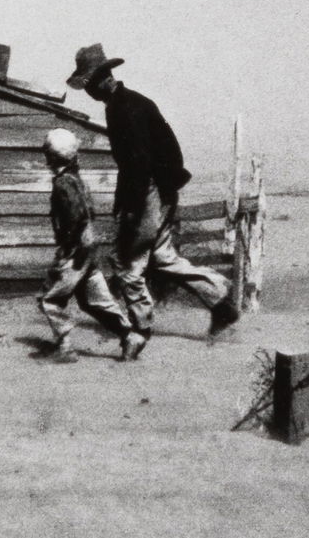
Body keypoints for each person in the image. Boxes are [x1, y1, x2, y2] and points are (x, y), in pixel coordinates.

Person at [65, 43, 239, 348]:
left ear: (105, 78)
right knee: (163, 258)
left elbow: (139, 164)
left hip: (149, 192)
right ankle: (221, 301)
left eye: (90, 84)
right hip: (160, 190)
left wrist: (132, 209)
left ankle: (140, 330)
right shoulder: (129, 103)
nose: (89, 92)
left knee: (128, 265)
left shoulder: (125, 109)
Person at [37, 127, 145, 359]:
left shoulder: (63, 183)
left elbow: (77, 215)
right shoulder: (78, 179)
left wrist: (73, 243)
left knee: (50, 299)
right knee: (95, 300)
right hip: (87, 250)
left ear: (51, 156)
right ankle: (130, 335)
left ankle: (65, 346)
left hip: (75, 250)